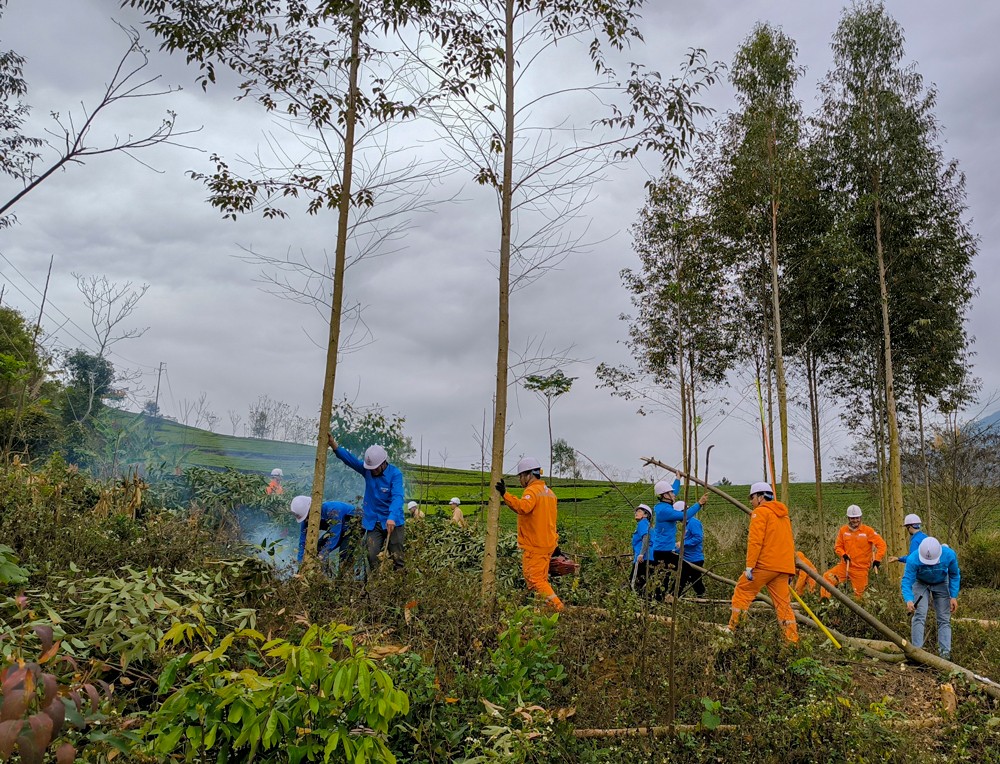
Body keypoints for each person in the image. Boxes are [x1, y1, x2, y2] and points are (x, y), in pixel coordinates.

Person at [728, 482, 799, 643]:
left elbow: (755, 541)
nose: (751, 501)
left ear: (760, 497)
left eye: (752, 497)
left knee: (742, 590)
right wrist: (790, 569)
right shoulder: (783, 516)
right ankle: (792, 642)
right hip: (783, 567)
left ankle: (734, 630)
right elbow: (789, 542)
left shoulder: (760, 512)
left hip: (765, 565)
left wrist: (750, 566)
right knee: (783, 606)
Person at [328, 434, 405, 572]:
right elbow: (350, 460)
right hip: (373, 521)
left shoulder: (395, 474)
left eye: (375, 468)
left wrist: (392, 517)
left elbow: (398, 497)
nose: (372, 471)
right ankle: (375, 580)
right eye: (370, 468)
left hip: (393, 521)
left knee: (397, 557)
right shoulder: (367, 470)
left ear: (383, 463)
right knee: (371, 554)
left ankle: (398, 581)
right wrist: (334, 445)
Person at [496, 456, 563, 611]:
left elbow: (523, 507)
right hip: (548, 545)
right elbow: (550, 521)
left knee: (535, 581)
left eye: (521, 476)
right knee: (542, 580)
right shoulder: (550, 494)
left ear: (528, 475)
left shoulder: (532, 491)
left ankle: (558, 608)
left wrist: (505, 494)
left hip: (535, 546)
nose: (520, 480)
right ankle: (542, 612)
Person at [902, 536, 960, 660]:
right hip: (921, 583)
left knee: (944, 618)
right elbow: (907, 580)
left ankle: (945, 655)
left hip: (941, 582)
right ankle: (917, 653)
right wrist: (909, 599)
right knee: (919, 614)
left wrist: (953, 596)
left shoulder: (949, 554)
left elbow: (954, 575)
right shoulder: (913, 558)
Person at [650, 475, 707, 600]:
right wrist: (699, 504)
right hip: (663, 551)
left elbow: (674, 491)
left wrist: (677, 479)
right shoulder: (664, 511)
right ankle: (669, 597)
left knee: (664, 575)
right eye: (670, 493)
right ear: (665, 495)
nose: (674, 494)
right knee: (683, 569)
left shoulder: (663, 505)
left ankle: (662, 598)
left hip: (662, 550)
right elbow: (684, 516)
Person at [820, 505, 887, 599]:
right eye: (852, 518)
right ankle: (825, 602)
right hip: (845, 566)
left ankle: (859, 607)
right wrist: (843, 554)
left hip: (860, 569)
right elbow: (838, 547)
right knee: (827, 578)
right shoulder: (843, 531)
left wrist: (877, 559)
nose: (855, 520)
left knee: (860, 597)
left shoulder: (868, 531)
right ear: (848, 518)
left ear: (860, 517)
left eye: (857, 518)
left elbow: (882, 545)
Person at [290, 494, 356, 573]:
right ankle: (323, 575)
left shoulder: (332, 510)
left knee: (345, 554)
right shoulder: (306, 521)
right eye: (305, 518)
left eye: (307, 516)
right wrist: (301, 564)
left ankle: (346, 577)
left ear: (312, 508)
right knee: (318, 548)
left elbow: (334, 535)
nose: (307, 520)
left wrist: (322, 554)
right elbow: (302, 542)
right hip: (339, 529)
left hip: (354, 526)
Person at [678, 514, 706, 597]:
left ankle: (701, 596)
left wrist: (683, 543)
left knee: (695, 580)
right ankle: (674, 597)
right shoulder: (686, 524)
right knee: (682, 579)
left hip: (694, 559)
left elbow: (698, 538)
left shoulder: (693, 522)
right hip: (686, 558)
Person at [630, 504, 653, 594]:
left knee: (634, 582)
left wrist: (641, 554)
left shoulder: (642, 523)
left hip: (642, 558)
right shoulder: (648, 525)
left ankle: (634, 598)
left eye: (639, 511)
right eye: (636, 511)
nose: (636, 513)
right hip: (650, 558)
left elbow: (646, 537)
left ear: (646, 515)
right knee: (644, 582)